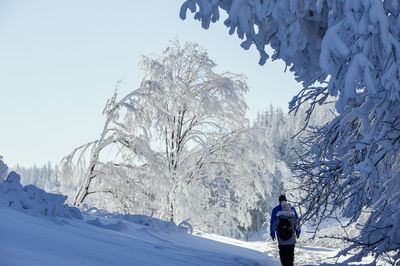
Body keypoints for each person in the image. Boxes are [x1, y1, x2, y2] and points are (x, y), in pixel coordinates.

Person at [270, 195, 300, 266]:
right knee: (290, 254)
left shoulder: (276, 210)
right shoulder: (292, 209)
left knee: (283, 254)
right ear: (286, 200)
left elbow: (272, 223)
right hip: (291, 237)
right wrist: (298, 232)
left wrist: (272, 234)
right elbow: (297, 222)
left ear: (279, 200)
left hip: (280, 236)